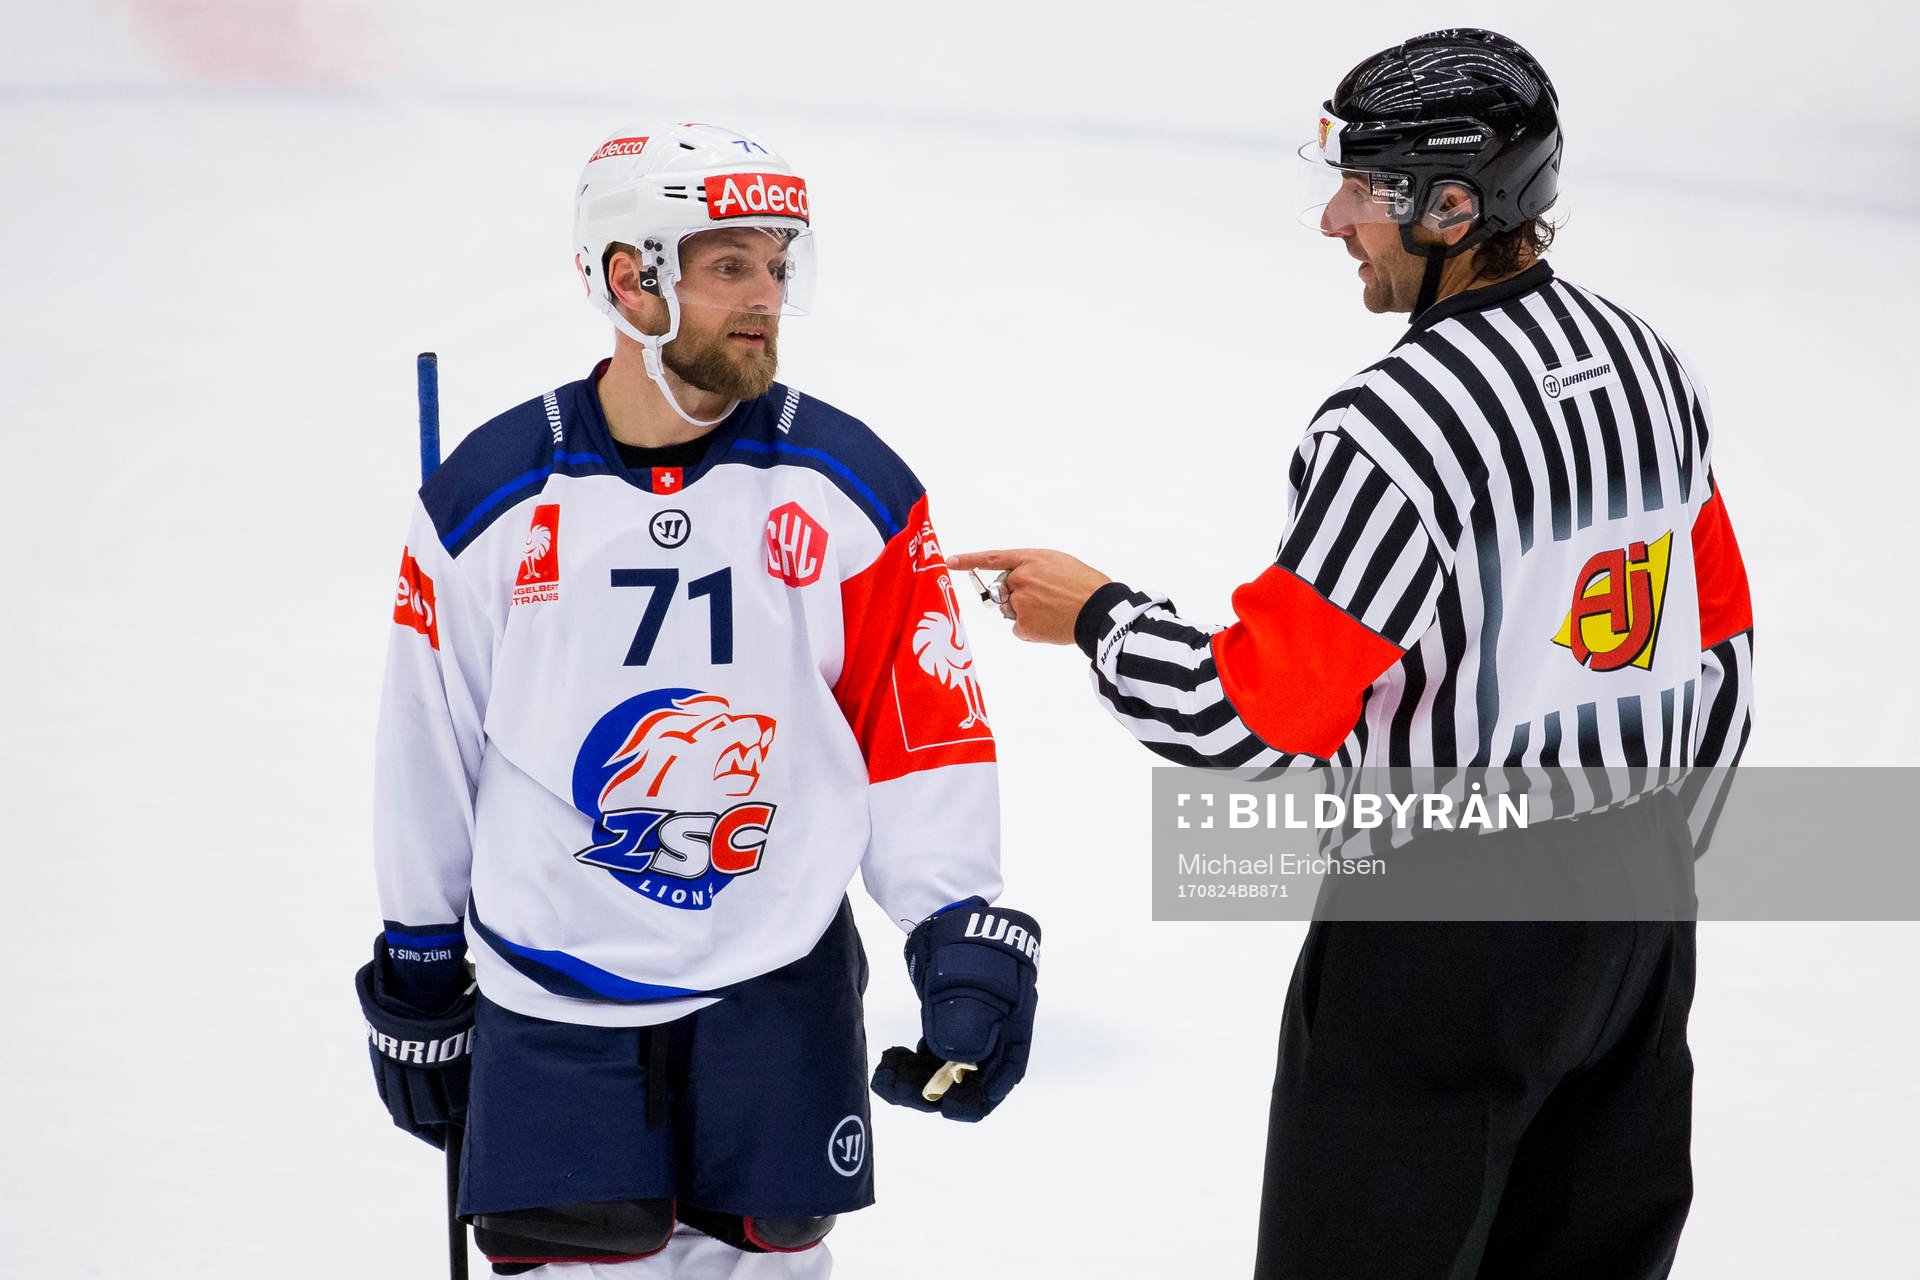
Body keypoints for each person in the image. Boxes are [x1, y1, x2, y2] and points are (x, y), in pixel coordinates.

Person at [951, 29, 1753, 1280]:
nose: (1336, 220)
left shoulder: (1401, 424)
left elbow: (1254, 716)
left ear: (1452, 207)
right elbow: (1723, 646)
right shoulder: (1649, 363)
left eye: (1366, 191)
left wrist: (1100, 615)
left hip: (1447, 929)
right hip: (1641, 917)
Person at [356, 122, 1042, 1279]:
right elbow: (428, 743)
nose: (766, 294)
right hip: (553, 980)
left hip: (777, 976)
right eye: (730, 265)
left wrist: (955, 924)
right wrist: (418, 957)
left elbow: (918, 728)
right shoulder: (494, 495)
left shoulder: (849, 486)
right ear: (630, 279)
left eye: (777, 264)